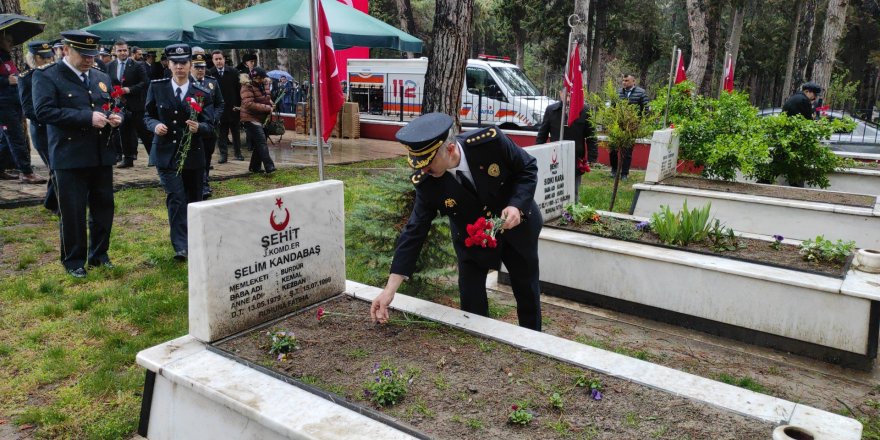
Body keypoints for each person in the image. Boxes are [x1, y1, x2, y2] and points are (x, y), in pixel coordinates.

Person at [370, 113, 544, 331]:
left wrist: (517, 205)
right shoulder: (427, 182)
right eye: (418, 163)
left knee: (526, 289)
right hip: (471, 239)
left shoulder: (491, 142)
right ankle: (478, 345)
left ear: (450, 149)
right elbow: (415, 231)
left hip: (516, 227)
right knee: (471, 303)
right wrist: (390, 289)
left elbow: (527, 167)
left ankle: (534, 341)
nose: (422, 170)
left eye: (428, 162)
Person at [32, 30, 123, 278]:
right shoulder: (48, 76)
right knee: (72, 212)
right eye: (83, 55)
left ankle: (99, 254)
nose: (88, 60)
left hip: (100, 154)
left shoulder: (100, 76)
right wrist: (86, 117)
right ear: (65, 50)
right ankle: (74, 260)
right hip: (69, 155)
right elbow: (44, 111)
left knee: (104, 208)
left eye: (92, 55)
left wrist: (116, 117)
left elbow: (114, 105)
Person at [144, 44, 214, 262]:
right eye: (175, 63)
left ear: (190, 64)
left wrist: (199, 128)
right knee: (176, 198)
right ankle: (181, 246)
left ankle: (195, 240)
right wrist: (155, 125)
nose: (180, 67)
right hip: (165, 153)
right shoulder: (157, 87)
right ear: (168, 64)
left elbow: (211, 125)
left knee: (194, 200)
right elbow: (147, 115)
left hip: (192, 154)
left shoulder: (201, 93)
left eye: (184, 63)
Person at [0, 31, 47, 183]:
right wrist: (7, 81)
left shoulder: (6, 57)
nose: (11, 44)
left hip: (14, 102)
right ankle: (27, 173)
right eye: (7, 40)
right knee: (16, 137)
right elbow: (7, 79)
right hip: (3, 104)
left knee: (6, 140)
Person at [18, 41, 59, 212]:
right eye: (45, 57)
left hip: (57, 128)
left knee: (58, 167)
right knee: (55, 167)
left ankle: (52, 202)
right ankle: (57, 205)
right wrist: (50, 117)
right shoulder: (27, 78)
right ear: (35, 58)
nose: (49, 60)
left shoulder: (57, 74)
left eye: (51, 56)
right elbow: (28, 109)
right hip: (42, 129)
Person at [536, 89, 598, 198]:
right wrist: (538, 155)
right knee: (555, 188)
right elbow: (542, 134)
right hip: (554, 156)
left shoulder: (584, 110)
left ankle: (572, 211)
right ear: (560, 93)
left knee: (573, 190)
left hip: (575, 157)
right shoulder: (551, 110)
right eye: (566, 95)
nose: (568, 99)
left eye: (571, 95)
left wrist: (592, 157)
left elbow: (591, 136)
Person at [108, 40, 149, 168]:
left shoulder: (137, 65)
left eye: (125, 50)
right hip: (119, 104)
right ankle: (128, 158)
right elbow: (107, 81)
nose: (122, 53)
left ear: (128, 51)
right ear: (115, 51)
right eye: (119, 50)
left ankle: (154, 156)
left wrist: (129, 89)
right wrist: (113, 92)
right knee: (124, 132)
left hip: (136, 104)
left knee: (144, 131)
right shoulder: (110, 65)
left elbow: (145, 82)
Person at [189, 51, 223, 199]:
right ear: (191, 67)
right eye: (197, 67)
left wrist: (214, 118)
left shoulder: (212, 82)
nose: (200, 70)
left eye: (202, 67)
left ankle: (204, 180)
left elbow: (220, 103)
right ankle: (201, 185)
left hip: (209, 127)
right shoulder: (186, 83)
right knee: (198, 157)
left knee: (207, 156)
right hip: (193, 128)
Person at [208, 50, 243, 162]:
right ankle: (223, 155)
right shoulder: (210, 73)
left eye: (220, 58)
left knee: (236, 132)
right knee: (221, 134)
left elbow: (240, 91)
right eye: (216, 59)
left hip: (233, 108)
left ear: (224, 59)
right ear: (213, 60)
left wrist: (240, 106)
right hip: (219, 109)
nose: (218, 61)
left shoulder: (233, 72)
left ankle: (238, 153)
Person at [614, 74, 650, 180]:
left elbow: (646, 109)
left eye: (627, 80)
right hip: (619, 125)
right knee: (613, 148)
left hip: (632, 126)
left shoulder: (641, 92)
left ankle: (624, 173)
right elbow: (613, 107)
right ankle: (614, 170)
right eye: (623, 80)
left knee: (627, 150)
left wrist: (639, 122)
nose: (624, 82)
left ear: (633, 81)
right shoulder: (618, 92)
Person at [240, 67, 276, 174]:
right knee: (261, 141)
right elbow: (249, 104)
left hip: (262, 118)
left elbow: (267, 97)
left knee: (259, 143)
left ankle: (254, 167)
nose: (258, 80)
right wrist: (267, 108)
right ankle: (269, 166)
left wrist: (271, 103)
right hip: (250, 117)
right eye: (256, 78)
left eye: (260, 78)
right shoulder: (246, 86)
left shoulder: (265, 83)